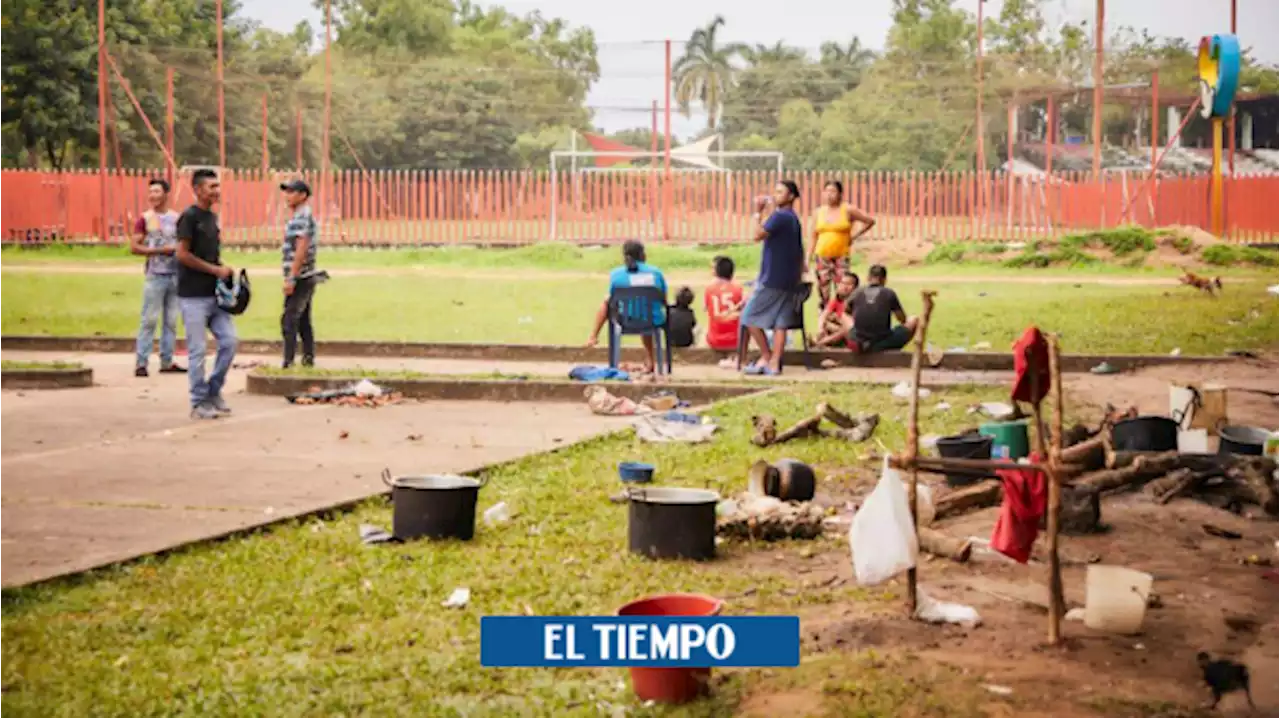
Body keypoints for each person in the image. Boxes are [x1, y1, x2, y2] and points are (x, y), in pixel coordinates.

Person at [176, 169, 237, 420]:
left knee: (230, 341)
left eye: (218, 186)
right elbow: (182, 254)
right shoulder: (189, 218)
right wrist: (214, 269)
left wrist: (225, 272)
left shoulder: (212, 218)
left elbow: (211, 255)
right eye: (211, 187)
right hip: (192, 296)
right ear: (198, 189)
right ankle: (198, 401)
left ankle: (213, 391)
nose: (217, 191)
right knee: (198, 350)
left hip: (214, 295)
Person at [741, 180, 806, 376]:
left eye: (780, 192)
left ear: (791, 196)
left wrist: (758, 212)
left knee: (749, 317)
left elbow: (758, 235)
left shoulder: (780, 217)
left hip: (773, 278)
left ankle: (767, 356)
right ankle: (775, 362)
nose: (776, 195)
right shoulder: (793, 219)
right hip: (789, 278)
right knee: (780, 322)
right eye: (775, 192)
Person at [130, 178, 185, 377]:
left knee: (171, 321)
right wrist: (160, 250)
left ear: (166, 194)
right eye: (150, 191)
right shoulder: (145, 218)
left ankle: (167, 360)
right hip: (155, 276)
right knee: (149, 320)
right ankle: (141, 362)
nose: (152, 195)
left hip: (175, 275)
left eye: (157, 191)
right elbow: (134, 246)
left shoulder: (176, 218)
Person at [586, 240, 667, 374]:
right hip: (653, 319)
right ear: (643, 254)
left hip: (626, 319)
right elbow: (663, 297)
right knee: (646, 313)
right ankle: (651, 360)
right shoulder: (656, 273)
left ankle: (593, 336)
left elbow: (613, 298)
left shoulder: (616, 275)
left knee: (606, 303)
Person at [808, 180, 876, 306]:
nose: (829, 195)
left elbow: (870, 221)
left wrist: (854, 236)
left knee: (844, 288)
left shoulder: (848, 210)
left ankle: (842, 316)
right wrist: (808, 257)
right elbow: (813, 236)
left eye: (833, 191)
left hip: (841, 256)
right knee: (823, 291)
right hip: (822, 256)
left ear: (840, 194)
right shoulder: (818, 212)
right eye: (826, 191)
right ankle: (825, 318)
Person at [279, 178, 319, 368]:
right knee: (303, 320)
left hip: (301, 276)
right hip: (305, 274)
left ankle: (288, 362)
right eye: (286, 192)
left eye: (291, 192)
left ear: (303, 195)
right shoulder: (299, 215)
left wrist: (291, 278)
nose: (287, 196)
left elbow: (301, 248)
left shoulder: (302, 216)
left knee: (289, 319)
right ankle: (308, 359)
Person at [848, 264, 919, 353]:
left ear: (868, 278)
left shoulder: (857, 292)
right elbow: (902, 319)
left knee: (848, 322)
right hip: (881, 343)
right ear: (884, 279)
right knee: (913, 320)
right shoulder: (889, 293)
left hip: (858, 343)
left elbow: (846, 311)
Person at [704, 255, 745, 355]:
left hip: (714, 340)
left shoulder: (709, 288)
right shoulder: (739, 288)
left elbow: (706, 308)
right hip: (736, 340)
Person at [812, 271, 860, 349]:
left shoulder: (858, 302)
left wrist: (836, 320)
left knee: (844, 329)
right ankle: (821, 341)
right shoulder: (837, 300)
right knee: (826, 323)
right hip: (837, 332)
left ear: (855, 287)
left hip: (850, 334)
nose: (844, 287)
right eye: (842, 283)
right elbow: (824, 315)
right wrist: (821, 328)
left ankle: (819, 343)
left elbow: (852, 326)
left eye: (848, 284)